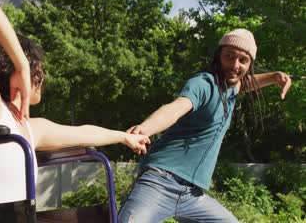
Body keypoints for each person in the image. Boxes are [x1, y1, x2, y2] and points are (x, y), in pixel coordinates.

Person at [0, 0, 150, 209]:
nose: (44, 76)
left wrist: (124, 137)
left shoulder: (29, 129)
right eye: (39, 68)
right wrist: (23, 64)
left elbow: (83, 132)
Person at [118, 28, 292, 222]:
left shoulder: (230, 88)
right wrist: (144, 129)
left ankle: (92, 214)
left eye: (243, 60)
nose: (235, 65)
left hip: (192, 195)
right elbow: (175, 108)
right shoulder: (204, 83)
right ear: (218, 56)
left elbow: (243, 83)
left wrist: (274, 77)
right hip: (160, 182)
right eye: (229, 56)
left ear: (250, 64)